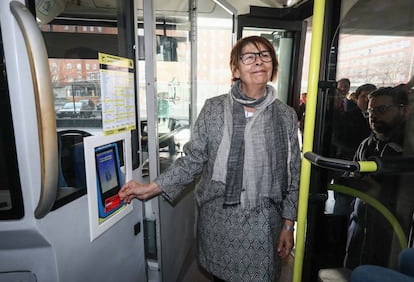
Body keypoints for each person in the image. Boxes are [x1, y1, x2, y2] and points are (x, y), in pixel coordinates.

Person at [119, 35, 301, 282]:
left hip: (265, 224)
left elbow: (293, 172)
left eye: (265, 55)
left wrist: (288, 225)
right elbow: (193, 159)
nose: (258, 61)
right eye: (249, 56)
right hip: (220, 222)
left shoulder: (286, 116)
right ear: (235, 70)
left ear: (272, 66)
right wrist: (151, 187)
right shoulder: (214, 109)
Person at [344, 86, 409, 269]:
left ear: (403, 110)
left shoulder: (408, 147)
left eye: (382, 110)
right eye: (371, 110)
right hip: (359, 229)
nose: (373, 116)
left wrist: (380, 193)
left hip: (392, 235)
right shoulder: (367, 144)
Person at [332, 83, 377, 215]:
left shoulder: (378, 120)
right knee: (343, 202)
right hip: (348, 165)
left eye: (370, 97)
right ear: (357, 98)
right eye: (364, 96)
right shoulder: (347, 116)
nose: (367, 100)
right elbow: (336, 140)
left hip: (369, 171)